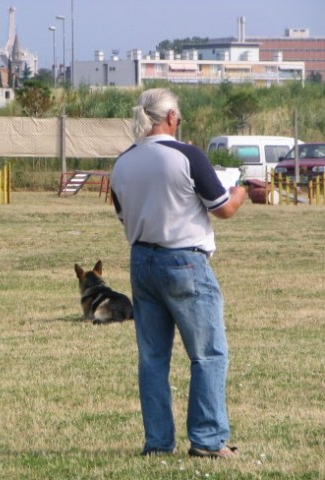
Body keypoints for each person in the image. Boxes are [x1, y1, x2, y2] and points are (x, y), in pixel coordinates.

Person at [110, 88, 246, 459]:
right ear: (171, 117)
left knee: (153, 358)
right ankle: (206, 439)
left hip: (141, 260)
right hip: (185, 260)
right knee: (207, 355)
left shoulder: (122, 163)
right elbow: (222, 209)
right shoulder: (187, 155)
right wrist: (240, 193)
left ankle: (158, 442)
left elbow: (123, 214)